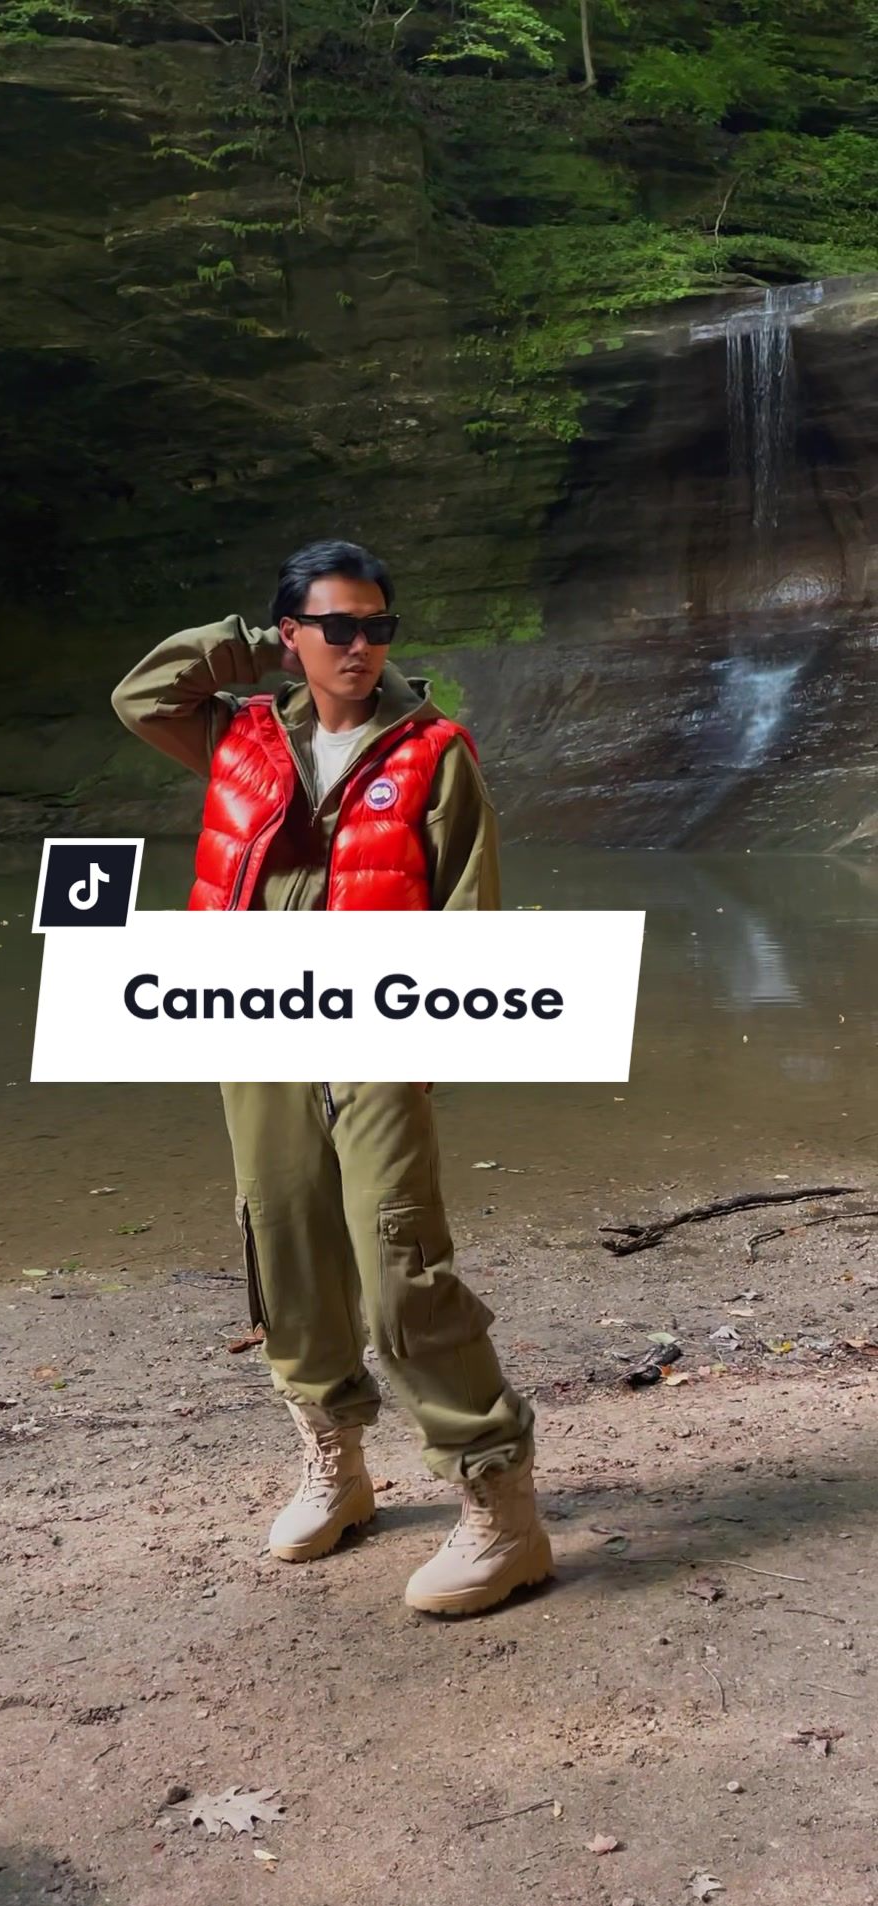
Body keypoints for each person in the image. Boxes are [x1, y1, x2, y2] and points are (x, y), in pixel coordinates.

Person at [111, 538, 553, 1615]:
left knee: (400, 1257)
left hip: (381, 1030)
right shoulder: (239, 734)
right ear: (292, 634)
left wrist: (440, 1039)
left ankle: (500, 1505)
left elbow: (469, 903)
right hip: (256, 1023)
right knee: (286, 1244)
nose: (361, 647)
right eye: (338, 627)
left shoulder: (435, 749)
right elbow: (140, 696)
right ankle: (336, 1463)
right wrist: (251, 646)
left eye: (378, 627)